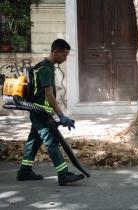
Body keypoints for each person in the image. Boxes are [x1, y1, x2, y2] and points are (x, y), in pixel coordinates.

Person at [16, 39, 84, 186]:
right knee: (52, 141)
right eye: (64, 55)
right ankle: (63, 174)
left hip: (39, 111)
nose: (65, 58)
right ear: (56, 52)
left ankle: (24, 171)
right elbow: (49, 95)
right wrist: (61, 115)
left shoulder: (43, 67)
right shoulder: (45, 69)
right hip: (40, 112)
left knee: (34, 141)